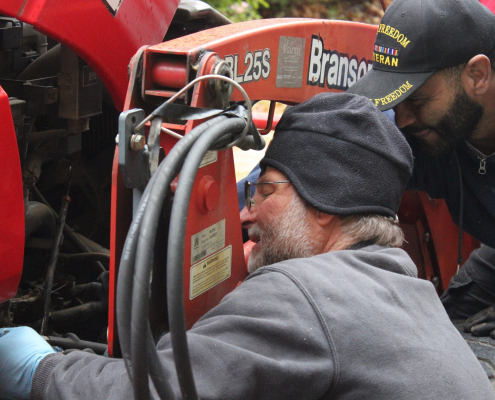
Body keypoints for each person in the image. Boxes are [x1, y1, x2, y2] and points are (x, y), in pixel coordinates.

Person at [1, 93, 493, 400]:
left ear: (326, 202)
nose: (244, 213)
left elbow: (155, 391)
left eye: (266, 191)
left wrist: (38, 369)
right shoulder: (409, 292)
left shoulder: (309, 293)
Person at [347, 0, 495, 337]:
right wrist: (255, 195)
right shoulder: (424, 132)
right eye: (397, 100)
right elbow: (339, 144)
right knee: (442, 334)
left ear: (477, 75)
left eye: (416, 100)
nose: (403, 118)